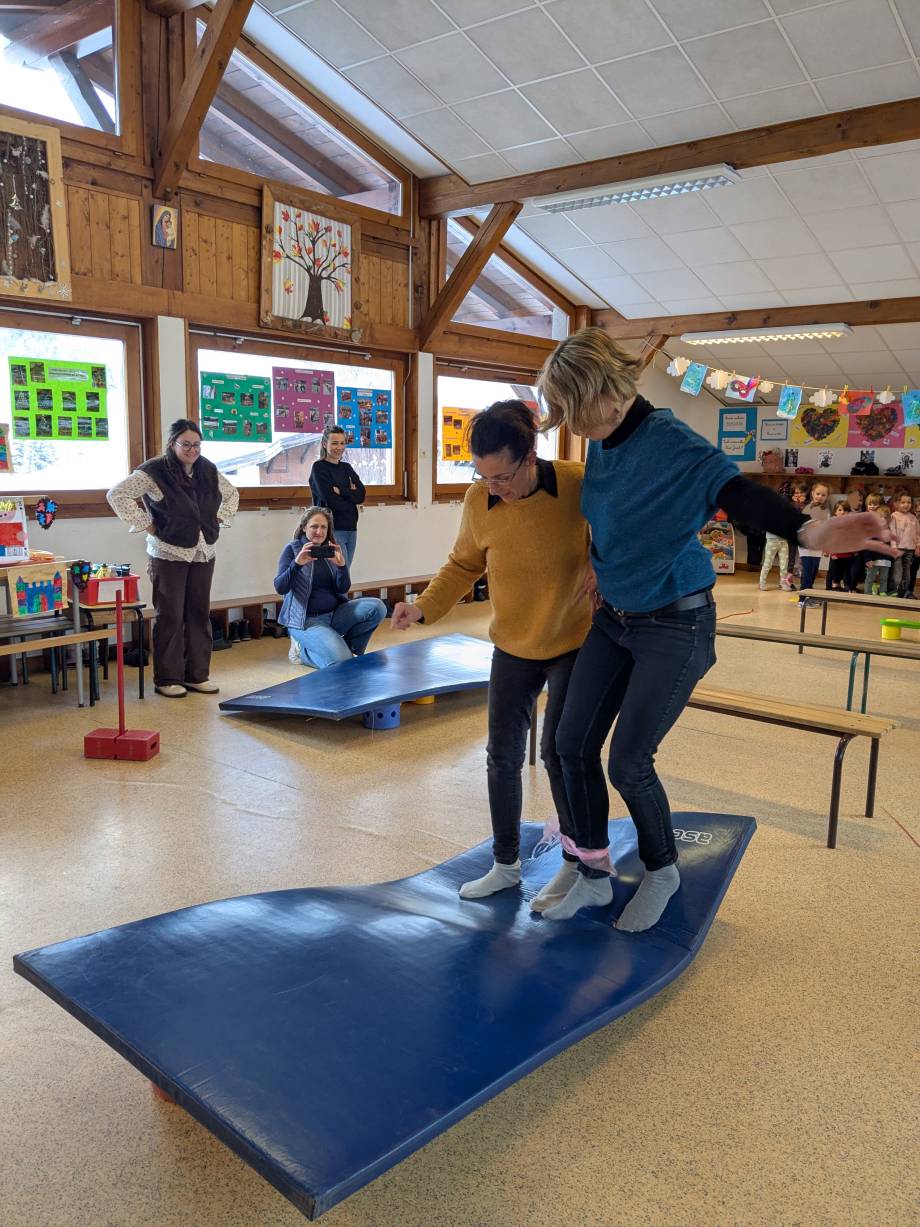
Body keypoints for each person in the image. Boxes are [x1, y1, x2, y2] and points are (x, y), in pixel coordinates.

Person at [536, 327, 895, 931]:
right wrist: (602, 566)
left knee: (628, 763)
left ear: (606, 393)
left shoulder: (673, 443)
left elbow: (739, 492)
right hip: (615, 618)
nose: (571, 425)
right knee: (569, 746)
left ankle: (662, 868)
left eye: (575, 411)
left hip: (675, 626)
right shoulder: (601, 438)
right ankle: (592, 871)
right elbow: (613, 513)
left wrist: (808, 531)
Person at [390, 400, 592, 907]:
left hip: (574, 640)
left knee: (558, 754)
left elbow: (619, 532)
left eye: (501, 477)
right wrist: (423, 608)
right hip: (512, 643)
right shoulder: (480, 499)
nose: (492, 488)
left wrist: (605, 567)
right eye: (482, 476)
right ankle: (505, 863)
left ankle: (576, 862)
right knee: (501, 757)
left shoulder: (576, 482)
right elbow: (463, 563)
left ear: (530, 457)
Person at [107, 419, 238, 698]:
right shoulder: (154, 470)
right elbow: (117, 494)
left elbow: (232, 495)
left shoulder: (208, 469)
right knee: (170, 616)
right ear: (172, 444)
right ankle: (167, 678)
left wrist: (219, 518)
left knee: (199, 614)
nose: (192, 450)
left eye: (196, 445)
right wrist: (148, 524)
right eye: (186, 444)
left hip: (203, 551)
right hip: (168, 552)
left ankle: (197, 675)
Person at [275, 506, 385, 668]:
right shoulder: (292, 549)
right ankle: (302, 652)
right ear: (304, 527)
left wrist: (341, 567)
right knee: (343, 662)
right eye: (314, 526)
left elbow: (342, 588)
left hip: (334, 615)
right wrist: (296, 564)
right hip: (305, 620)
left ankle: (347, 649)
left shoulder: (332, 550)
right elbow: (280, 587)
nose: (319, 531)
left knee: (377, 607)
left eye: (323, 527)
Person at [309, 424, 365, 566]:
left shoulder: (347, 468)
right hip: (332, 528)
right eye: (334, 443)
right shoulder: (319, 468)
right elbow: (331, 501)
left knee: (344, 574)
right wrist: (351, 496)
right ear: (324, 444)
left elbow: (361, 495)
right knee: (338, 572)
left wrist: (341, 491)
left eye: (342, 443)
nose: (339, 447)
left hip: (351, 527)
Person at [797, 482, 830, 606]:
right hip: (807, 546)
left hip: (817, 548)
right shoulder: (807, 509)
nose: (820, 497)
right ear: (812, 494)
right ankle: (802, 599)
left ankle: (809, 596)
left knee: (812, 572)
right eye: (818, 494)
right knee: (807, 572)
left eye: (823, 495)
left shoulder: (825, 511)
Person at [889, 491, 919, 597]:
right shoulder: (894, 516)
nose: (906, 505)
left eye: (909, 502)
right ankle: (896, 590)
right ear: (896, 504)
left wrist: (918, 546)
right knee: (897, 571)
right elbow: (892, 533)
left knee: (907, 572)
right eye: (903, 502)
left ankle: (904, 591)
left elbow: (917, 534)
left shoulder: (913, 518)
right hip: (898, 549)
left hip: (910, 549)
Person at [825, 502, 855, 590]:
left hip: (847, 554)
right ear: (835, 512)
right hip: (835, 554)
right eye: (840, 510)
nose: (842, 512)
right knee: (832, 571)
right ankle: (828, 587)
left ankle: (846, 587)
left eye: (845, 510)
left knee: (846, 572)